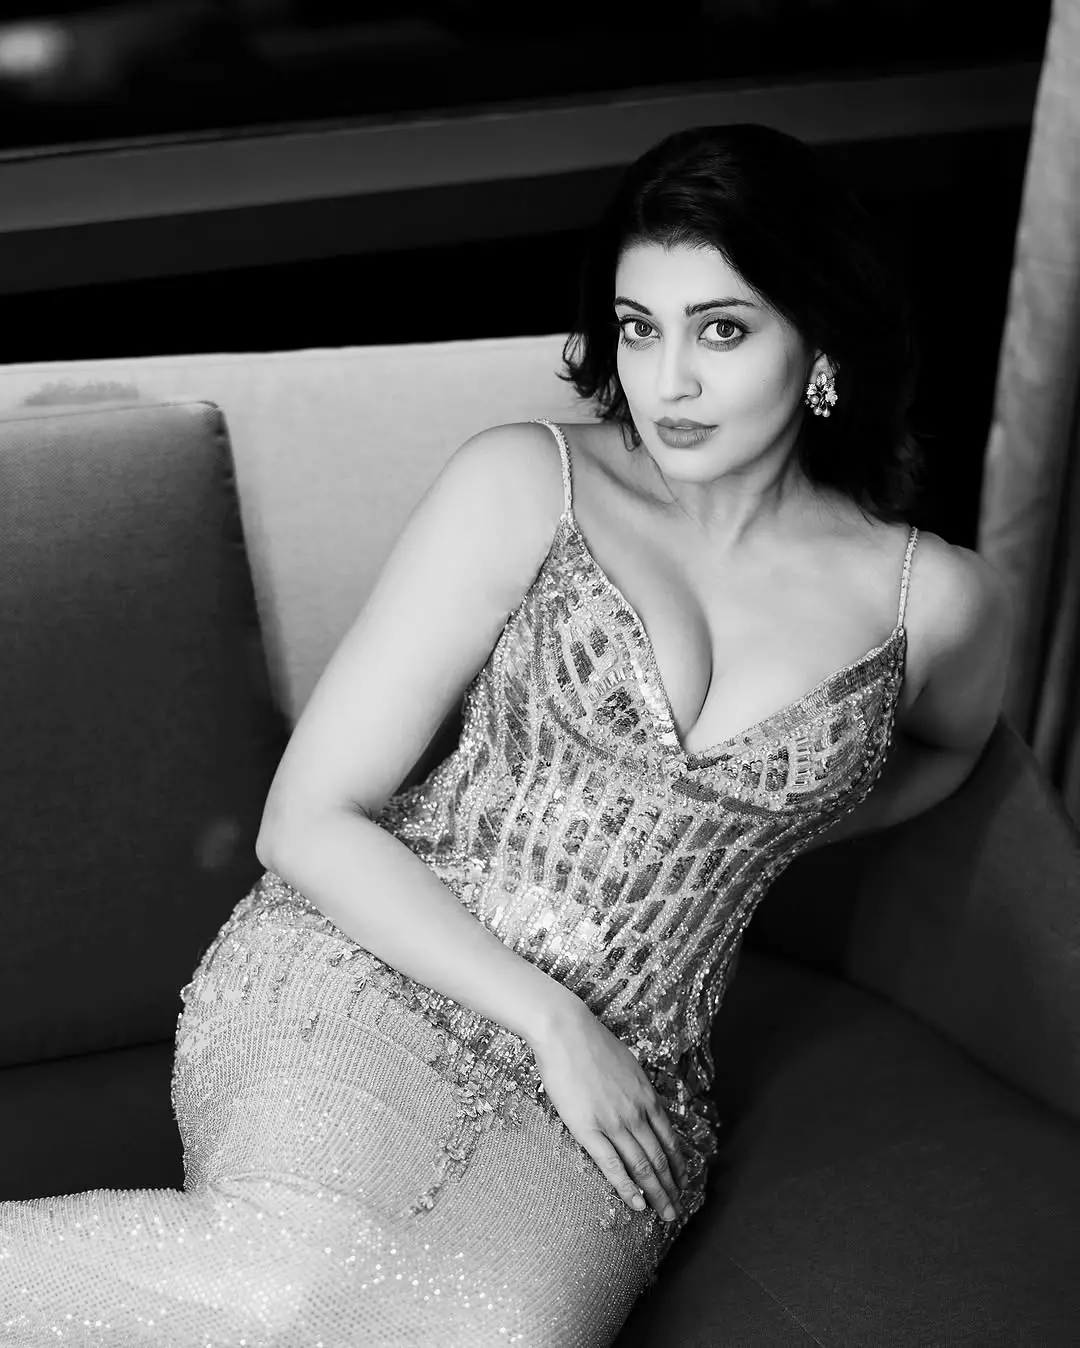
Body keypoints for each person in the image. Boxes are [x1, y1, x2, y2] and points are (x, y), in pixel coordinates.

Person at [0, 122, 1011, 1347]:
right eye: (639, 327)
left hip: (628, 1092)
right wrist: (554, 1020)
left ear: (823, 345)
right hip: (369, 969)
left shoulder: (933, 603)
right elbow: (304, 822)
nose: (668, 382)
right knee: (291, 1289)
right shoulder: (530, 482)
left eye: (721, 330)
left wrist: (757, 840)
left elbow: (949, 751)